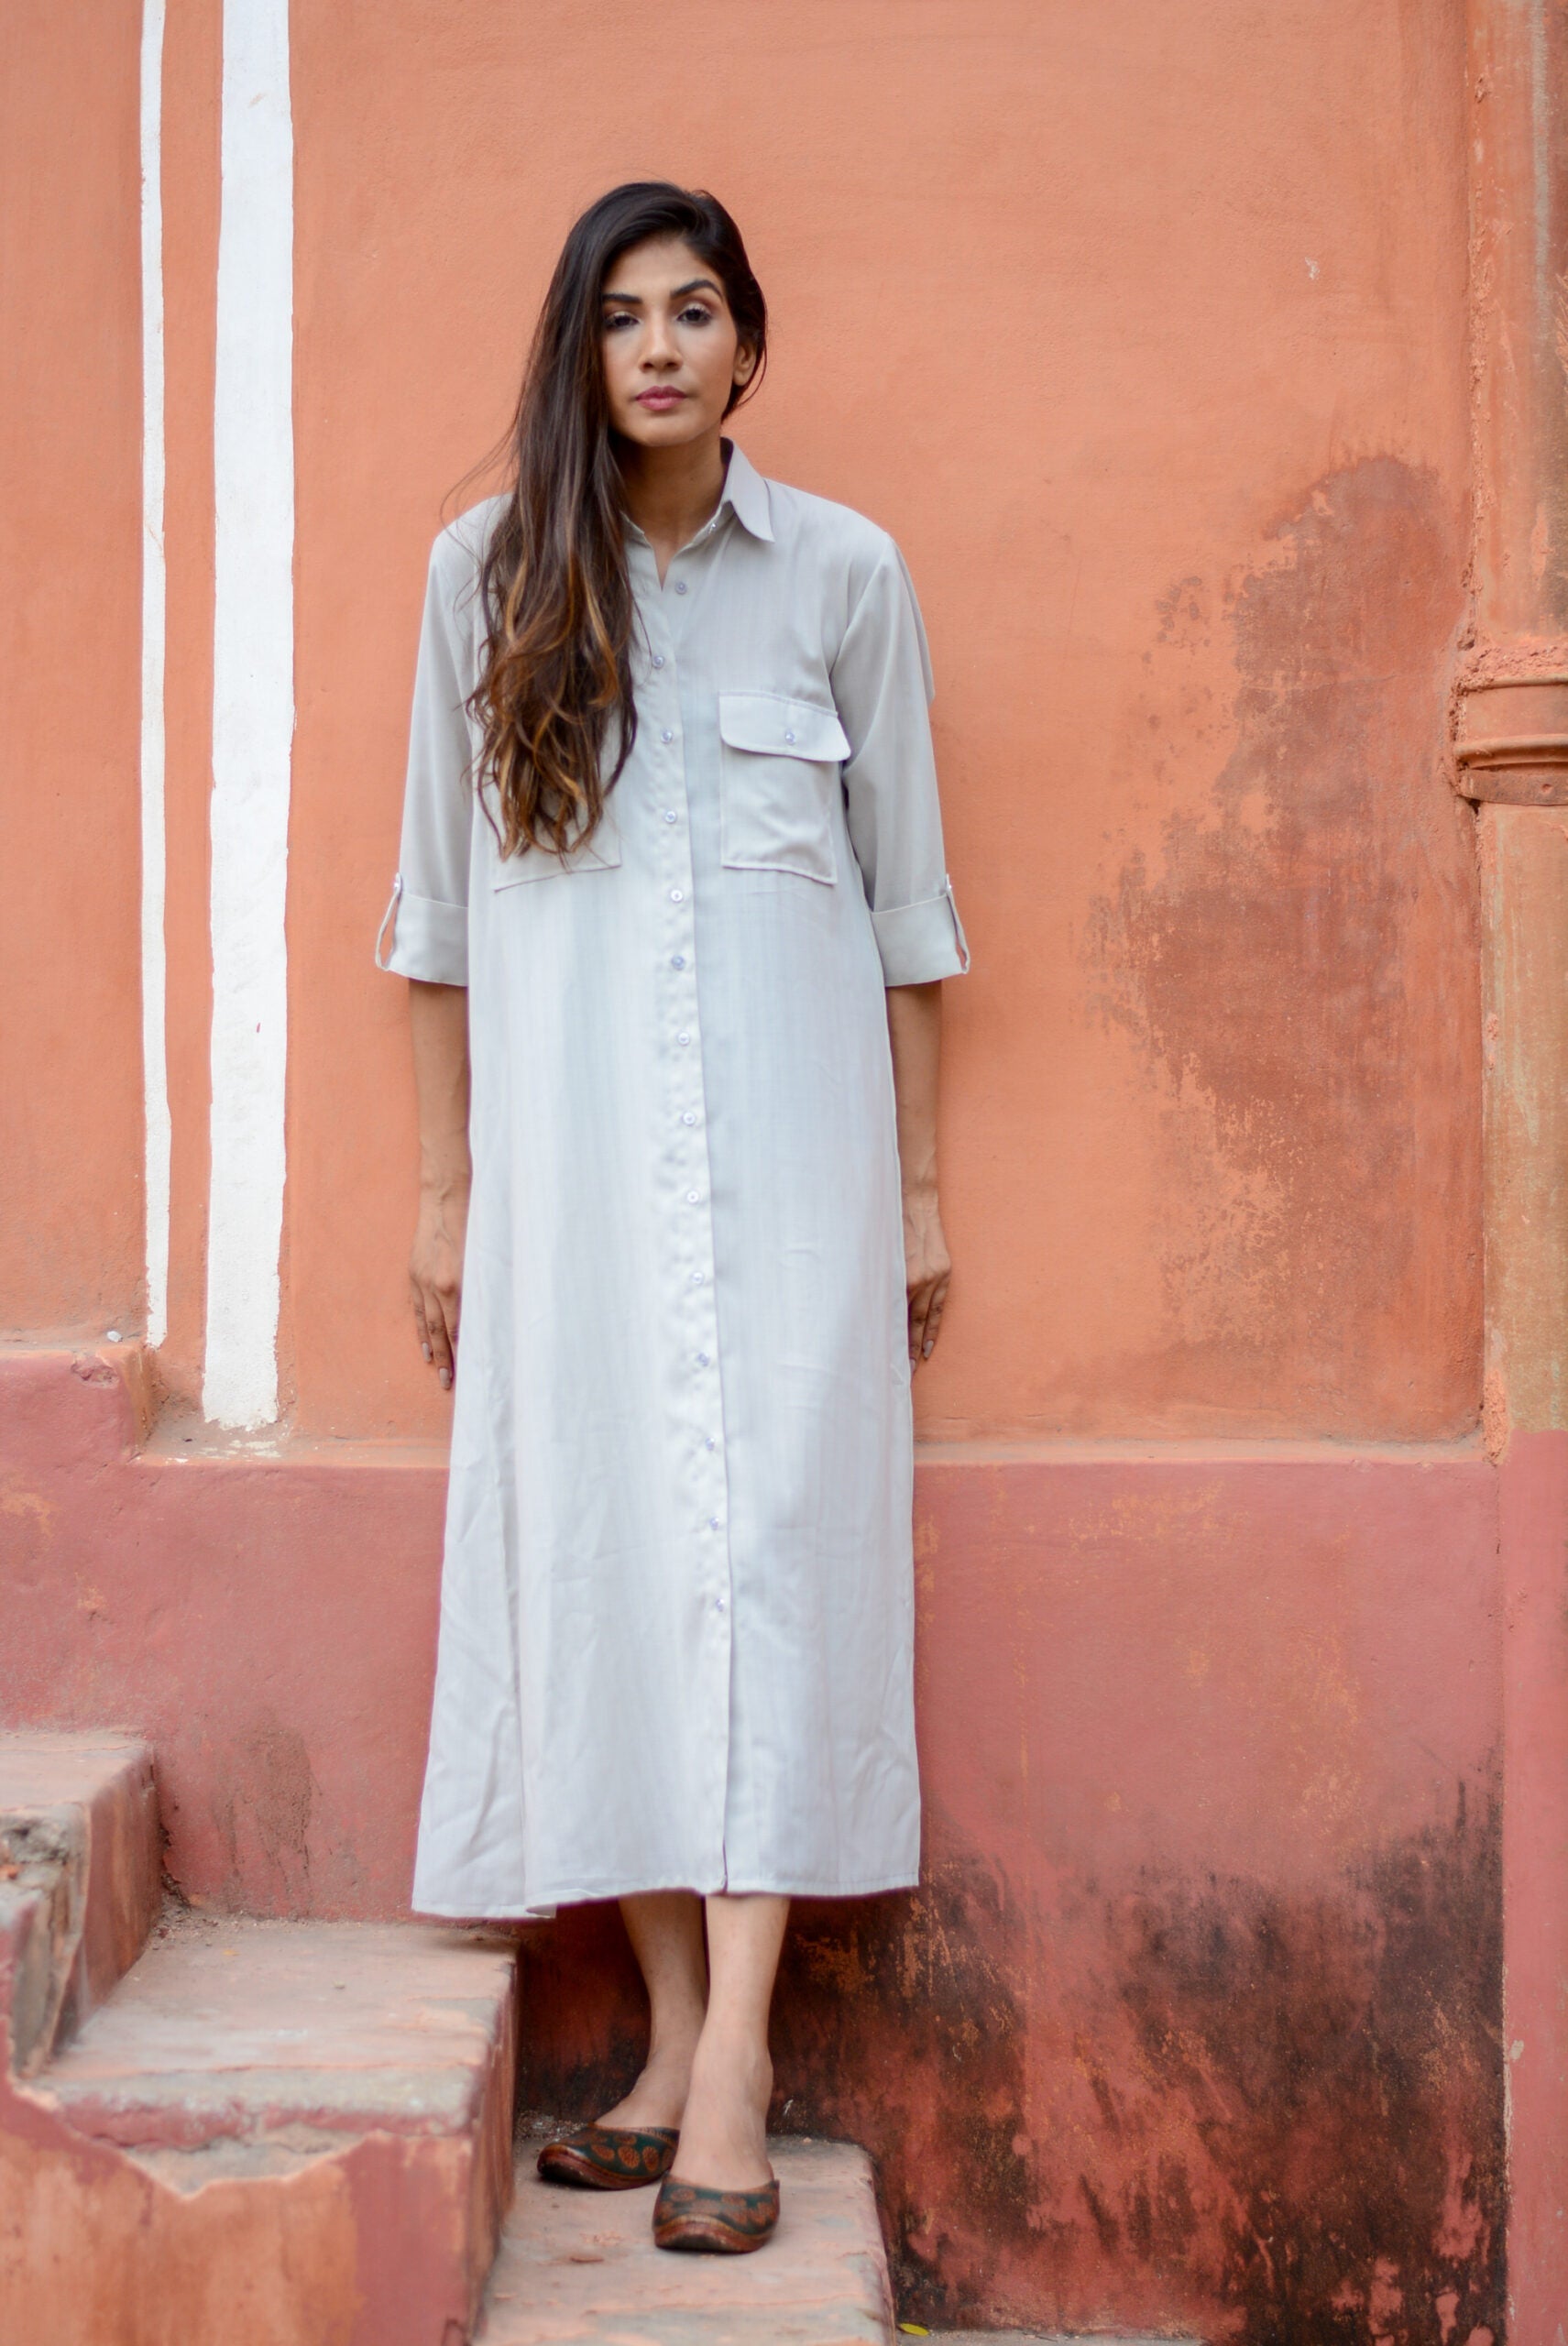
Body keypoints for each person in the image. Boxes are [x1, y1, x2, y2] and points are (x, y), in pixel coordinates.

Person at [376, 181, 969, 2255]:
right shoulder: (483, 580)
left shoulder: (845, 576)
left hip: (797, 1169)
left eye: (694, 310)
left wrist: (916, 1189)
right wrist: (446, 1196)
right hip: (574, 1175)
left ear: (746, 343)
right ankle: (678, 2029)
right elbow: (437, 919)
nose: (657, 347)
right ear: (582, 349)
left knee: (780, 1558)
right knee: (605, 1546)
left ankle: (734, 2065)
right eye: (621, 314)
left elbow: (908, 909)